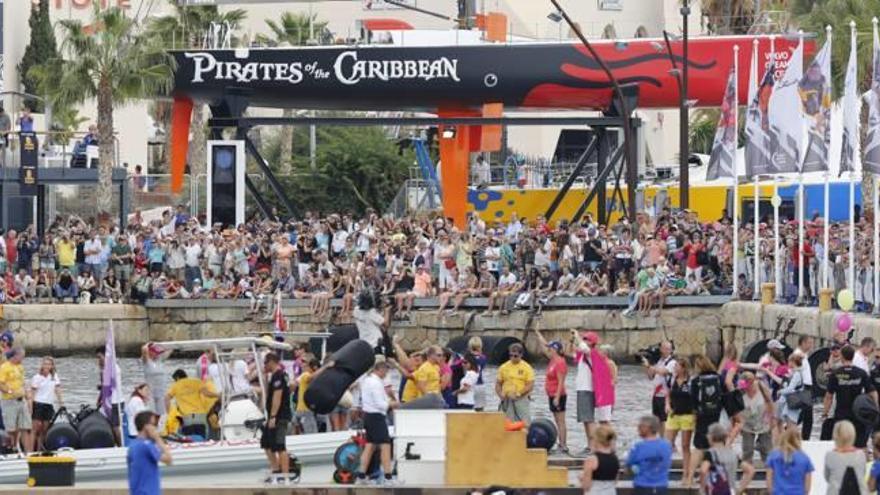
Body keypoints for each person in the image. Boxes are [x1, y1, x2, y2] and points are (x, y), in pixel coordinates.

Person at [823, 345, 877, 449]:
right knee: (861, 446)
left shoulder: (836, 374)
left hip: (841, 415)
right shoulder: (862, 373)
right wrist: (874, 407)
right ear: (852, 356)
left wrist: (825, 413)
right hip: (858, 414)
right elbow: (873, 392)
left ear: (842, 356)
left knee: (840, 445)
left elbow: (828, 396)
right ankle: (863, 464)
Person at [355, 360, 398, 486]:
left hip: (369, 416)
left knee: (370, 446)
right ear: (381, 369)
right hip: (376, 416)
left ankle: (361, 476)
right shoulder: (375, 383)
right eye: (386, 370)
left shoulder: (367, 380)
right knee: (385, 445)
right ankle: (388, 478)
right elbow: (380, 404)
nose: (386, 373)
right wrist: (393, 403)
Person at [534, 328, 568, 454]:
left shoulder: (560, 362)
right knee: (556, 419)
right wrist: (538, 334)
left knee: (560, 420)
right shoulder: (552, 359)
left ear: (557, 350)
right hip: (551, 394)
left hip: (558, 395)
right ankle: (561, 443)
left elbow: (561, 382)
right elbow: (544, 346)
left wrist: (557, 397)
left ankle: (563, 445)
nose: (550, 350)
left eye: (552, 348)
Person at [691, 354, 722, 483]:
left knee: (699, 446)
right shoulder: (718, 378)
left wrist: (694, 418)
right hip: (715, 415)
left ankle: (690, 476)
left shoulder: (696, 381)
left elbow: (693, 402)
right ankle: (711, 474)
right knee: (713, 445)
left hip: (701, 415)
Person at [698, 423, 755, 495]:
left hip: (715, 491)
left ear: (711, 437)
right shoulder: (733, 454)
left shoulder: (710, 454)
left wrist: (702, 489)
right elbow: (750, 470)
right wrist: (740, 489)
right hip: (731, 491)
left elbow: (703, 470)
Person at [262, 353, 292, 485]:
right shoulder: (277, 376)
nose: (264, 365)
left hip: (279, 416)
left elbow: (277, 397)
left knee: (280, 446)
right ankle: (275, 471)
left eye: (265, 363)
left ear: (271, 362)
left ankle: (285, 476)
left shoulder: (279, 376)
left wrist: (273, 416)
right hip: (273, 416)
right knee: (266, 443)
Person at [665, 358, 695, 489]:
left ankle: (686, 474)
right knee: (667, 443)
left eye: (677, 366)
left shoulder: (691, 382)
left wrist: (695, 414)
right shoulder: (671, 380)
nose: (675, 368)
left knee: (685, 445)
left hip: (687, 415)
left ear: (684, 368)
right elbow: (668, 394)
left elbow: (694, 398)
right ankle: (663, 472)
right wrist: (667, 405)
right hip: (674, 414)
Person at [127, 410, 172, 495]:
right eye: (154, 425)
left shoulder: (133, 445)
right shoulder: (147, 445)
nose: (155, 428)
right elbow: (169, 459)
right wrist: (157, 438)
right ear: (147, 427)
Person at [626, 415, 672, 494]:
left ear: (647, 428)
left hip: (642, 486)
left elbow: (629, 466)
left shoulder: (638, 446)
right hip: (661, 486)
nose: (638, 429)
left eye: (640, 426)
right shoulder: (666, 445)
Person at [823, 420, 867, 495]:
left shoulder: (830, 455)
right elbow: (863, 473)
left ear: (835, 436)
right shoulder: (861, 455)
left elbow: (827, 477)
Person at [0, 347, 31, 453]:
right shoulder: (4, 367)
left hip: (21, 401)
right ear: (15, 356)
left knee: (25, 427)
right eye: (22, 356)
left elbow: (23, 382)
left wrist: (27, 395)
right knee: (11, 428)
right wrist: (9, 392)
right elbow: (1, 383)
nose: (23, 358)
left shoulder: (20, 367)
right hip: (9, 402)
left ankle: (27, 452)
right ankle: (12, 447)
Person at [739, 371, 775, 464]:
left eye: (746, 387)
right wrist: (738, 423)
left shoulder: (762, 388)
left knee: (766, 449)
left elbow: (770, 402)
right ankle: (747, 472)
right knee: (747, 449)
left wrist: (771, 418)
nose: (744, 389)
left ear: (751, 383)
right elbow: (736, 408)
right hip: (747, 423)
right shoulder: (741, 391)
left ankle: (770, 472)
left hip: (763, 420)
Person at [766, 427, 814, 495]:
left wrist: (772, 491)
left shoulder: (773, 456)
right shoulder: (805, 458)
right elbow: (807, 486)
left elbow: (769, 479)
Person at [495, 343, 534, 424]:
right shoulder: (503, 367)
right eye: (510, 355)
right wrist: (500, 395)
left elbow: (530, 385)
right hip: (506, 399)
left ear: (521, 355)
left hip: (521, 399)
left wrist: (518, 394)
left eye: (515, 356)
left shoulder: (527, 368)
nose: (512, 358)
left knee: (524, 423)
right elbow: (498, 383)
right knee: (505, 423)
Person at [644, 341, 676, 438]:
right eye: (664, 348)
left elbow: (663, 372)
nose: (665, 351)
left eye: (668, 349)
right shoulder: (658, 361)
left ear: (671, 350)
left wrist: (650, 366)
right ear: (660, 349)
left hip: (665, 395)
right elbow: (650, 377)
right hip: (656, 394)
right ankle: (660, 439)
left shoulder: (672, 362)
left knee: (665, 421)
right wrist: (647, 366)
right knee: (657, 421)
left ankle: (666, 441)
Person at [30, 356, 62, 451]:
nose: (47, 366)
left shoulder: (54, 376)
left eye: (49, 364)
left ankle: (40, 449)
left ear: (52, 366)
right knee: (35, 430)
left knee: (44, 430)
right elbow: (32, 393)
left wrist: (61, 402)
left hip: (49, 405)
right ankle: (31, 450)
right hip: (38, 404)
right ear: (42, 365)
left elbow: (57, 389)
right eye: (45, 364)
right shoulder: (37, 377)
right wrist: (31, 407)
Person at [581, 424, 619, 494]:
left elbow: (586, 485)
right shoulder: (615, 459)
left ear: (596, 440)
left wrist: (582, 479)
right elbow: (615, 481)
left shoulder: (592, 460)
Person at [792, 335, 815, 440]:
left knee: (805, 416)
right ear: (803, 343)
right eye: (809, 343)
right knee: (807, 417)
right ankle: (804, 439)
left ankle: (790, 432)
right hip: (803, 388)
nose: (811, 345)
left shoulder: (803, 356)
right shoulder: (798, 356)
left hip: (806, 388)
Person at [295, 358, 321, 435]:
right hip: (305, 409)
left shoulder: (307, 376)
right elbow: (310, 377)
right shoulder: (306, 375)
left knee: (305, 433)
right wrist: (325, 368)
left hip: (303, 409)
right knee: (311, 434)